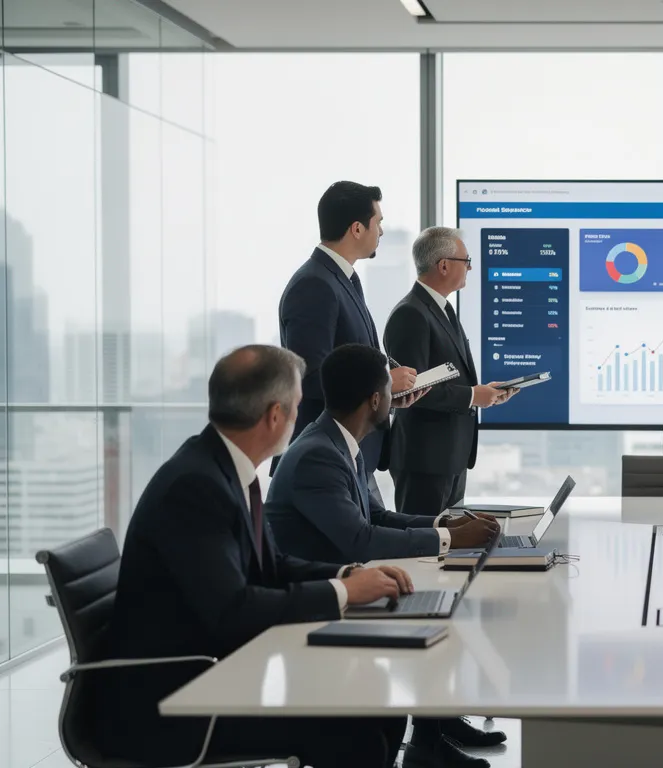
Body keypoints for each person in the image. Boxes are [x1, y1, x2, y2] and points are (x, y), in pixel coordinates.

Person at [96, 345, 413, 767]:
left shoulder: (224, 468)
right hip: (177, 700)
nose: (301, 419)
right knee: (360, 735)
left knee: (380, 709)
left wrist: (348, 574)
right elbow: (233, 609)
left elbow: (272, 566)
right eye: (298, 407)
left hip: (216, 672)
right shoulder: (196, 487)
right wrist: (343, 592)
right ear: (274, 415)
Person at [267, 342, 505, 768]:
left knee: (438, 609)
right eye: (389, 387)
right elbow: (361, 539)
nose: (397, 396)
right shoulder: (319, 454)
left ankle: (426, 741)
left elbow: (377, 515)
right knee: (433, 614)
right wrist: (451, 542)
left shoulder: (338, 441)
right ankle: (424, 744)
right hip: (314, 608)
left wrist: (444, 527)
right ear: (376, 399)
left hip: (342, 590)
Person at [276, 180, 424, 479]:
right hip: (324, 459)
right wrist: (383, 382)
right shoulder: (315, 285)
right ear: (357, 229)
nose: (380, 231)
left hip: (351, 454)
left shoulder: (342, 280)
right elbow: (311, 376)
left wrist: (386, 397)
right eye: (377, 223)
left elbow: (347, 370)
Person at [384, 226, 515, 514]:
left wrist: (485, 393)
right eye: (465, 261)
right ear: (443, 265)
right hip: (425, 460)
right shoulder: (411, 314)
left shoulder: (441, 308)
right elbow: (412, 390)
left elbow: (448, 374)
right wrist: (471, 396)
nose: (469, 268)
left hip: (449, 458)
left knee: (449, 547)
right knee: (424, 547)